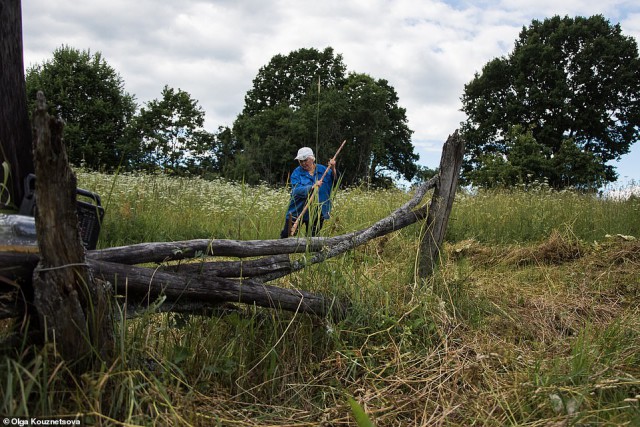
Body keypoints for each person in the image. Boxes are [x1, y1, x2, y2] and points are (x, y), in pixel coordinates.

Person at [280, 146, 337, 238]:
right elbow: (296, 191)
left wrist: (333, 167)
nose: (303, 163)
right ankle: (281, 252)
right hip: (298, 210)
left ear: (312, 158)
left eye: (305, 160)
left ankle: (311, 252)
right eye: (301, 161)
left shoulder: (324, 170)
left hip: (317, 212)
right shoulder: (297, 173)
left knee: (313, 239)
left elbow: (335, 181)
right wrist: (312, 187)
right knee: (286, 236)